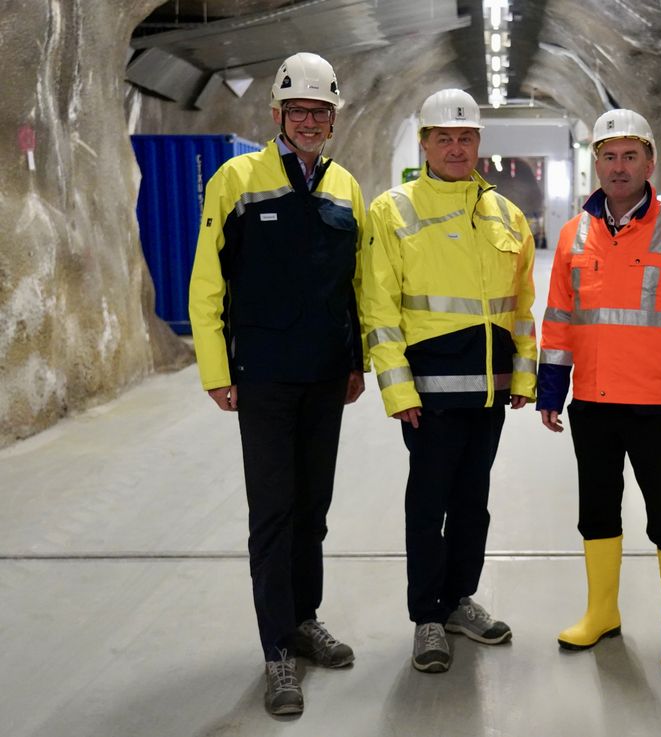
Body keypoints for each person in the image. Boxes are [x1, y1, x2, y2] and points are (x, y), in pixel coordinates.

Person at [189, 52, 368, 715]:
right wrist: (216, 369)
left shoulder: (347, 187)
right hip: (261, 377)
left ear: (333, 118)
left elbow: (355, 286)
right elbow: (207, 281)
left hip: (325, 377)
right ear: (278, 114)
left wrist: (356, 362)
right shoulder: (236, 180)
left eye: (321, 111)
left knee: (312, 512)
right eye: (299, 110)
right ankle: (276, 653)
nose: (310, 121)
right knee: (272, 514)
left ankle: (303, 617)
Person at [537, 109, 661, 675]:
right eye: (608, 156)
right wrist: (551, 387)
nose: (618, 167)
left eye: (629, 156)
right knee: (596, 511)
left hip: (658, 405)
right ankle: (602, 613)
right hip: (592, 402)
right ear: (596, 163)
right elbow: (560, 318)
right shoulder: (574, 234)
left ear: (649, 162)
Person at [360, 89, 538, 673]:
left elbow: (521, 307)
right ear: (425, 144)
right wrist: (397, 389)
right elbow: (379, 308)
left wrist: (523, 376)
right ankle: (426, 618)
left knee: (473, 501)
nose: (456, 148)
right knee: (429, 500)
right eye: (444, 138)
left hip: (489, 389)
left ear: (479, 144)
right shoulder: (393, 210)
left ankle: (460, 600)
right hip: (429, 395)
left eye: (465, 138)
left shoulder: (506, 214)